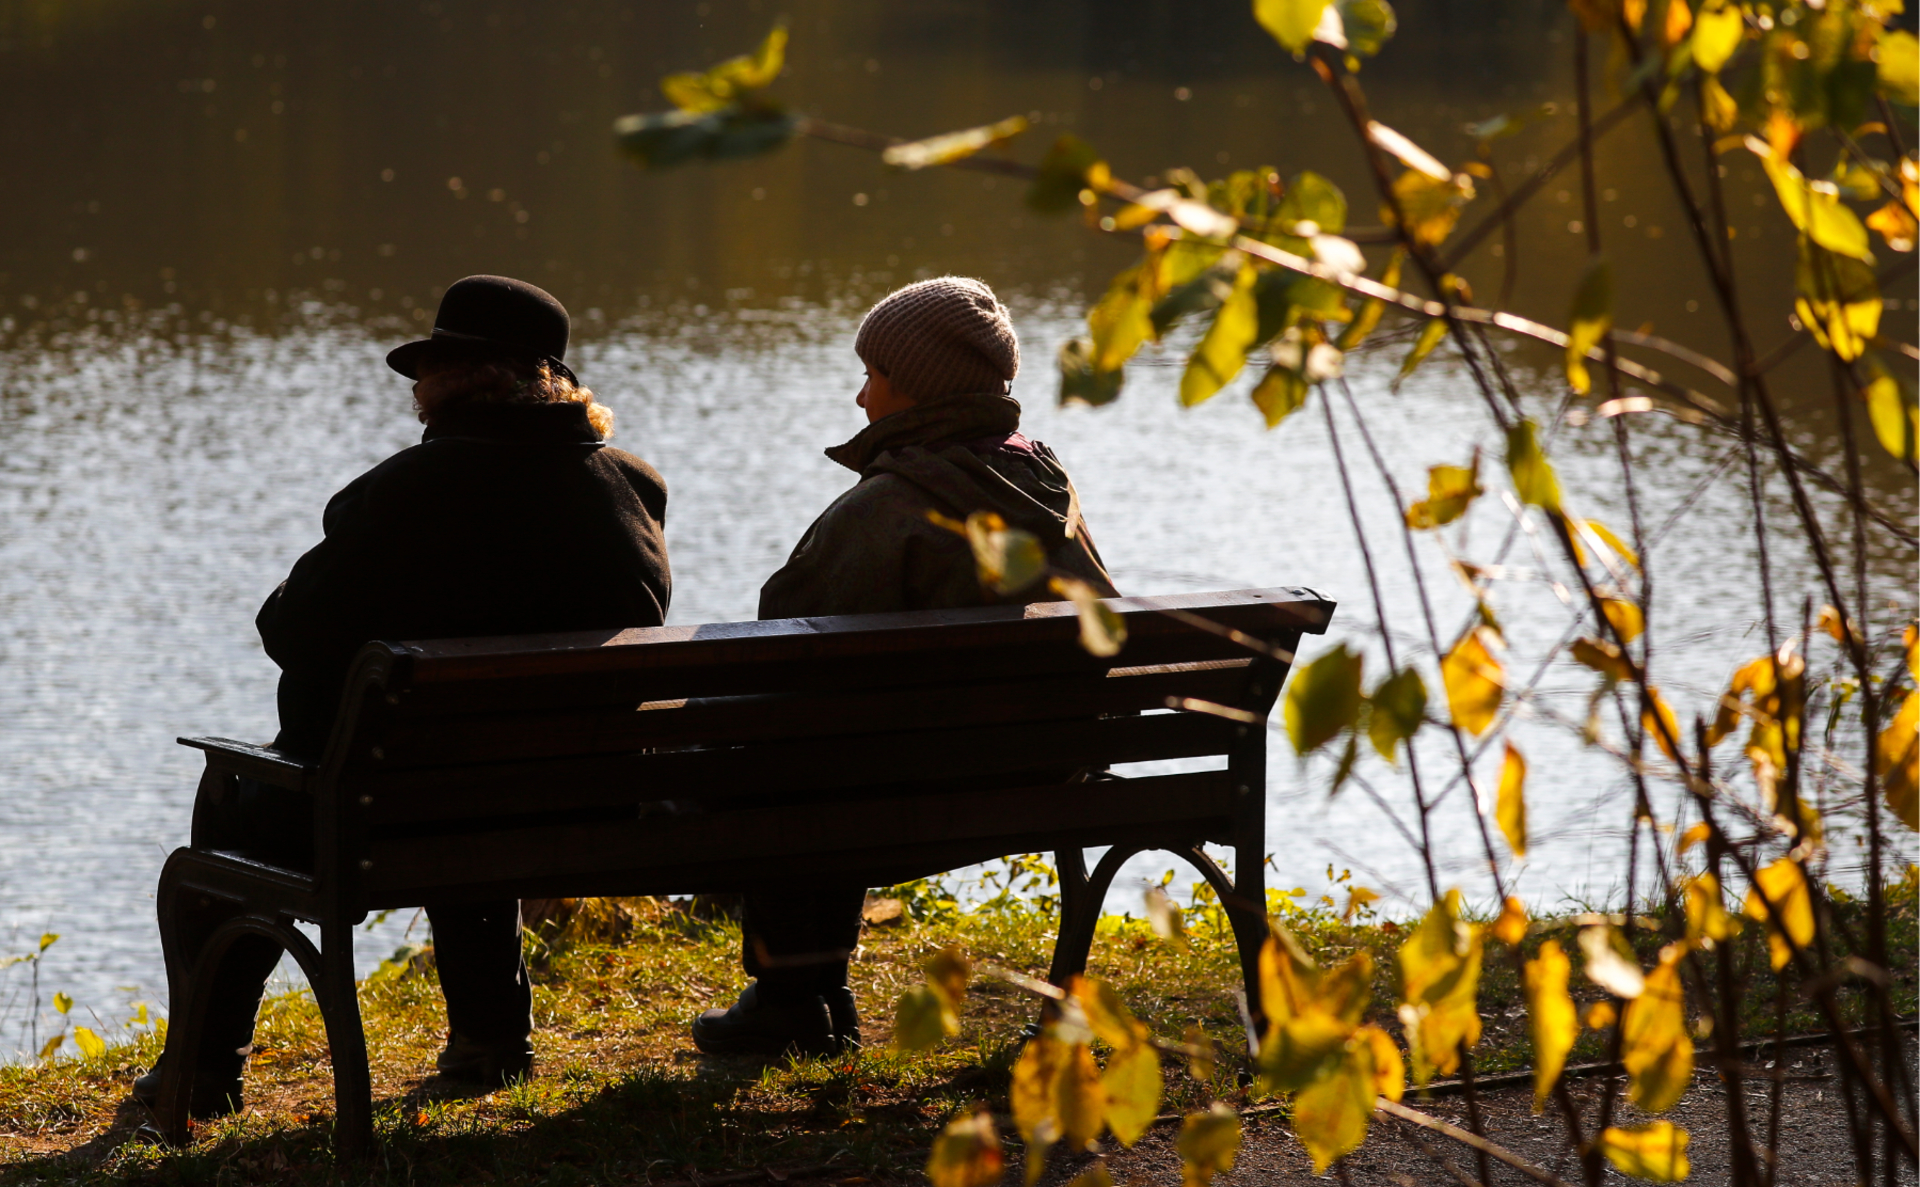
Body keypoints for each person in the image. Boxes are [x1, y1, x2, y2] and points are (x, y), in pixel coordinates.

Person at [135, 275, 672, 1117]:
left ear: (461, 380)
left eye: (425, 368)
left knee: (235, 814)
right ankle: (491, 1039)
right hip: (581, 802)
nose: (415, 389)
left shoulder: (402, 493)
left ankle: (201, 1073)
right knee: (470, 770)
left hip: (384, 810)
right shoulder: (631, 487)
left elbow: (293, 629)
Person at [691, 276, 1116, 1057]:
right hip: (1048, 779)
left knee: (785, 743)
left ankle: (796, 995)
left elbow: (779, 649)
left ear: (915, 388)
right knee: (832, 741)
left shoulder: (888, 505)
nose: (859, 399)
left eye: (872, 376)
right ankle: (805, 992)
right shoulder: (1049, 486)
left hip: (908, 787)